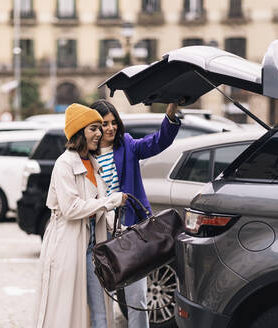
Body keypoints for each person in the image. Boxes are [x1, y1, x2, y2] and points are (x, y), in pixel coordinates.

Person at [33, 103, 128, 328]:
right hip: (68, 243)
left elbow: (99, 212)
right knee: (66, 311)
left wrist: (123, 233)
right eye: (93, 128)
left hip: (96, 246)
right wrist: (110, 201)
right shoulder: (64, 164)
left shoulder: (95, 164)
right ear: (80, 132)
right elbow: (71, 208)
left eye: (99, 128)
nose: (100, 133)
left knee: (101, 310)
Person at [90, 100, 181, 328]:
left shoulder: (127, 145)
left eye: (113, 123)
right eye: (104, 124)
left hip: (130, 233)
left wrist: (169, 116)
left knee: (137, 298)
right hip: (99, 234)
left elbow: (157, 142)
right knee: (100, 299)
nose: (110, 128)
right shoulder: (86, 155)